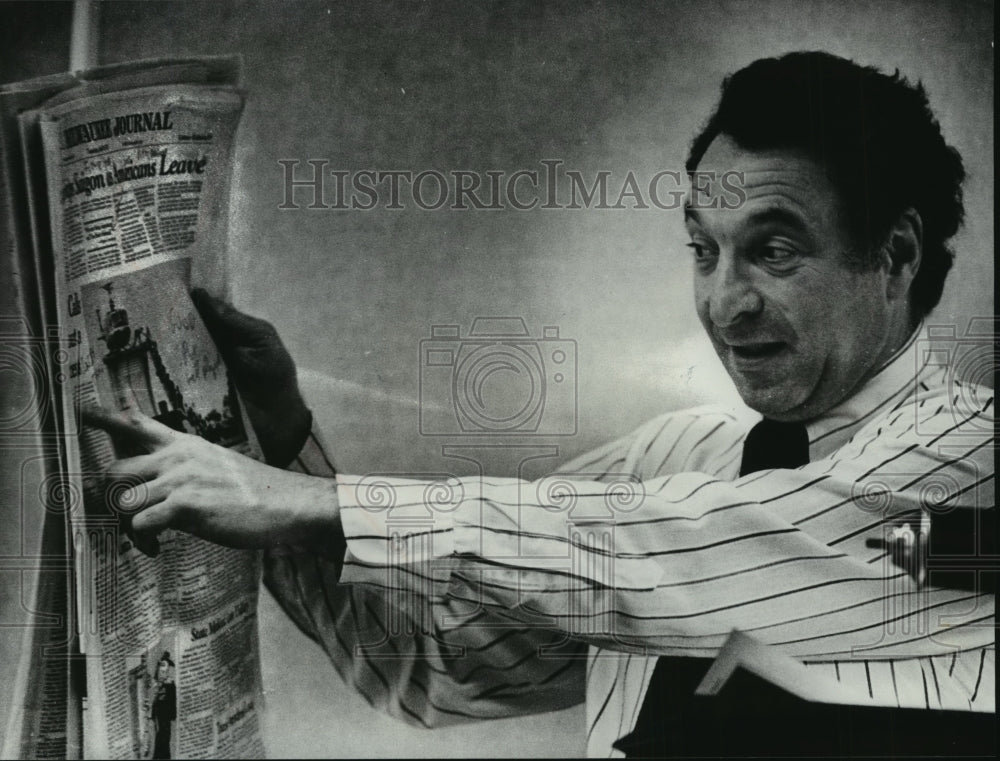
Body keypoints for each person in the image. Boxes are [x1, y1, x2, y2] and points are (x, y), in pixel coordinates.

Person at [83, 51, 994, 757]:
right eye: (703, 250)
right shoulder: (671, 463)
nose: (726, 302)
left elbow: (724, 552)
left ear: (897, 256)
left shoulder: (973, 460)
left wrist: (326, 502)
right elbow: (428, 661)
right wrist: (281, 444)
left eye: (776, 250)